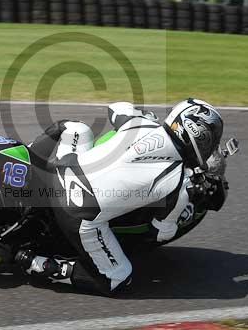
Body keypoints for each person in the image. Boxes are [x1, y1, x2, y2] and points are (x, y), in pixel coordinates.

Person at [16, 98, 228, 295]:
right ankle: (37, 264)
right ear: (198, 136)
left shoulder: (142, 124)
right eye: (210, 141)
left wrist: (143, 114)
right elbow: (160, 232)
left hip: (63, 170)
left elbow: (116, 108)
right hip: (77, 211)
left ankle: (27, 160)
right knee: (118, 278)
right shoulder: (180, 182)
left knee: (75, 128)